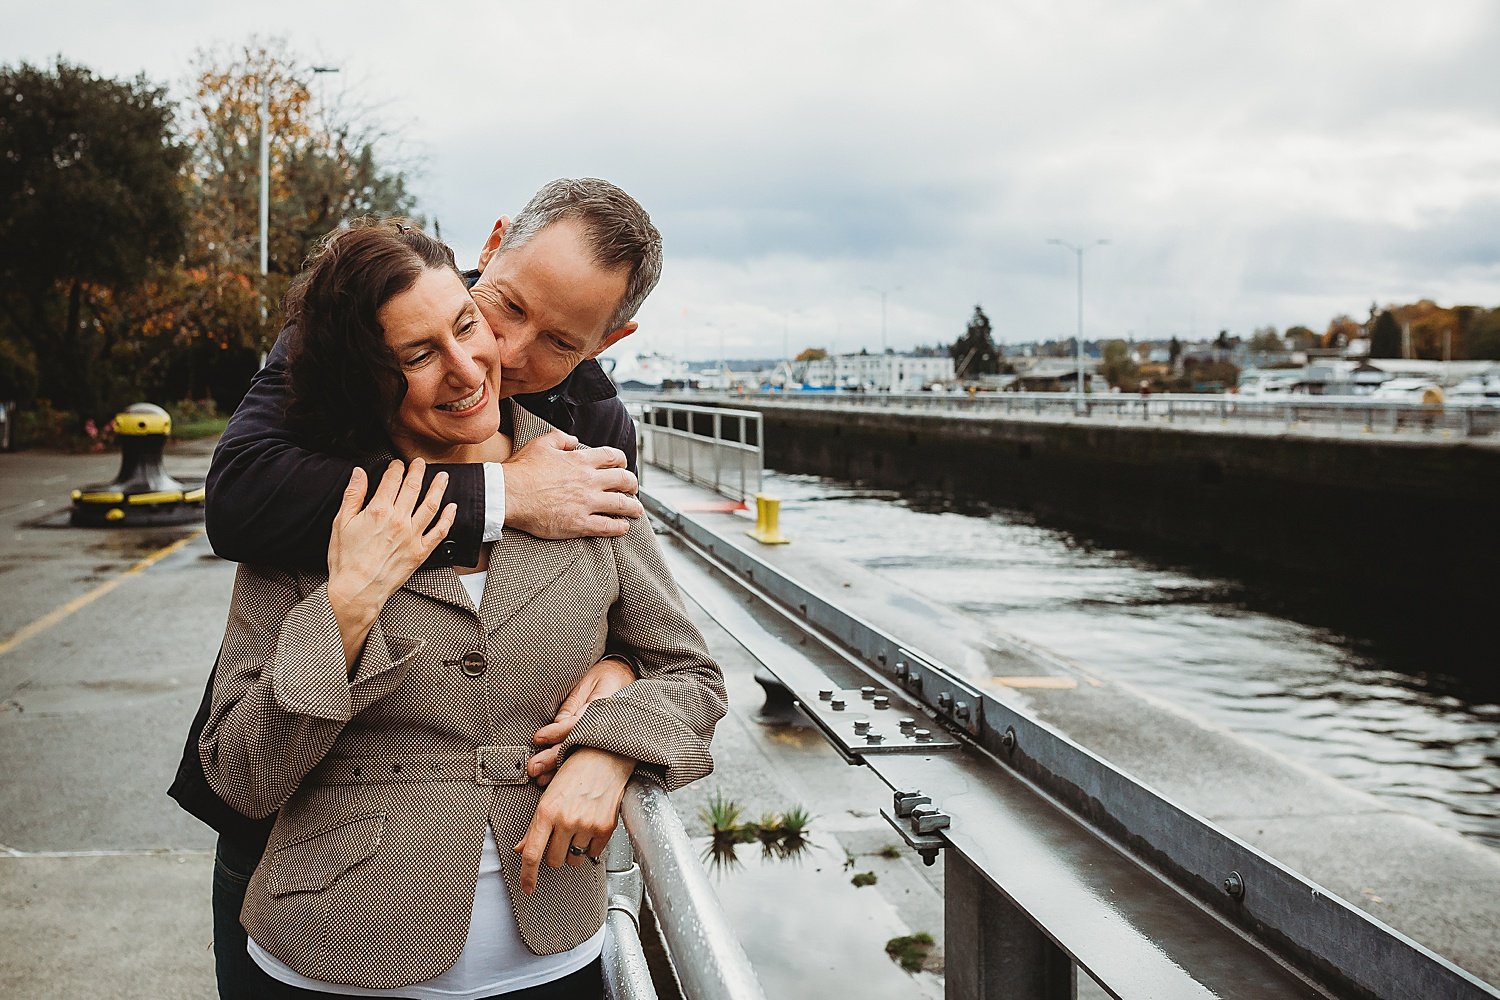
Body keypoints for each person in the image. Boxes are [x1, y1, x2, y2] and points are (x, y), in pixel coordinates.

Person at [167, 179, 674, 997]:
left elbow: (636, 624)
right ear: (492, 244)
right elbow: (241, 496)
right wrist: (506, 496)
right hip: (290, 831)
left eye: (558, 343)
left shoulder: (596, 432)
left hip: (530, 907)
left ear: (611, 337)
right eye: (503, 306)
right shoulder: (349, 333)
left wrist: (620, 696)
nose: (502, 355)